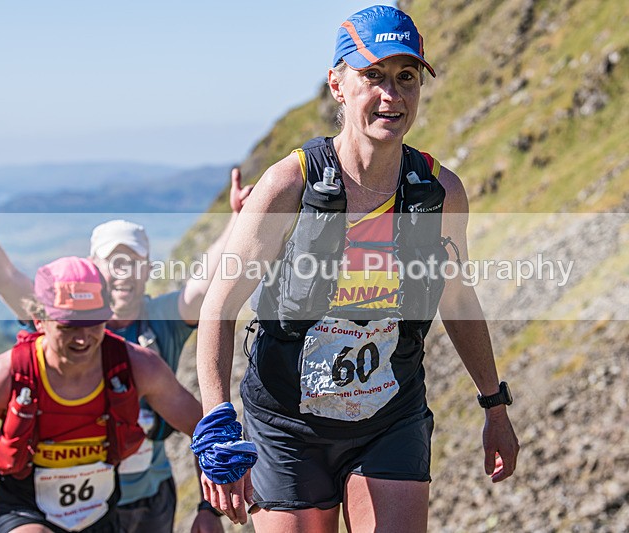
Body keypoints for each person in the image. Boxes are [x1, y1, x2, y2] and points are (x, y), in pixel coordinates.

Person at [192, 5, 520, 532]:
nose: (392, 94)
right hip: (287, 423)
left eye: (406, 77)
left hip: (390, 415)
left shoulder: (439, 193)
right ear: (337, 86)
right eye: (373, 76)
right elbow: (219, 306)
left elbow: (457, 299)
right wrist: (217, 428)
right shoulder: (288, 186)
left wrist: (494, 406)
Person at [0, 161, 252, 532]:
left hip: (142, 493)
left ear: (148, 269)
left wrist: (240, 220)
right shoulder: (52, 312)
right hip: (56, 500)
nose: (81, 338)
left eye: (133, 262)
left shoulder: (156, 330)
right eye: (113, 262)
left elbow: (204, 284)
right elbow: (3, 276)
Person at [0, 256, 205, 532]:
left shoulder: (136, 366)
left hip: (100, 515)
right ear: (39, 320)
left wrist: (208, 508)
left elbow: (201, 428)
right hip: (24, 509)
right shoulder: (8, 375)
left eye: (94, 323)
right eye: (68, 326)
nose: (82, 338)